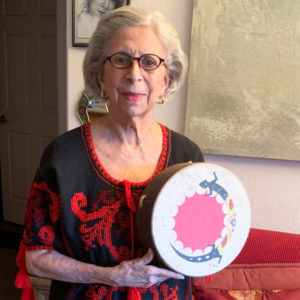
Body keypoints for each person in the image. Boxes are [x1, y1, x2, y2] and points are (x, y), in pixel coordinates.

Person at [15, 6, 204, 299]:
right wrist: (111, 277)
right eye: (121, 59)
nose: (134, 74)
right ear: (100, 75)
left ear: (166, 80)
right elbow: (36, 258)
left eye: (150, 62)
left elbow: (200, 243)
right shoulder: (63, 156)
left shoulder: (187, 156)